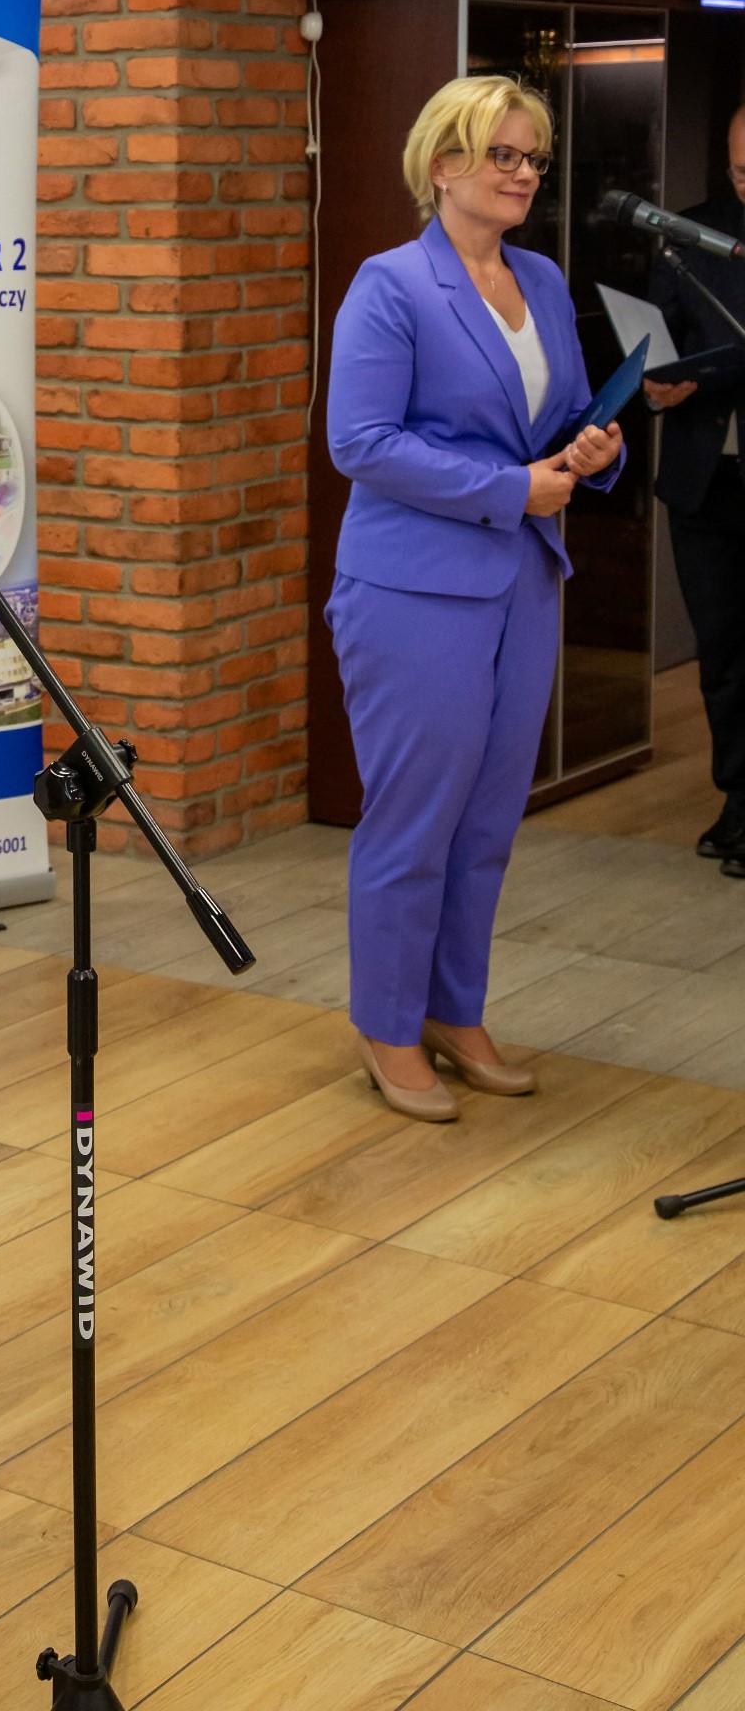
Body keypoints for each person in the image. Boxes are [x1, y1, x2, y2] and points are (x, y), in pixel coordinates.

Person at [326, 75, 624, 1124]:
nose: (524, 174)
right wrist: (509, 488)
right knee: (415, 821)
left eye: (534, 158)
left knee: (489, 819)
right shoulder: (392, 284)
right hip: (413, 592)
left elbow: (562, 417)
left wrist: (592, 448)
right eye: (503, 154)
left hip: (523, 582)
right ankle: (387, 1027)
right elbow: (360, 442)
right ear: (443, 162)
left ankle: (455, 1013)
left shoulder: (540, 277)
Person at [643, 107, 745, 875]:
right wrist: (657, 385)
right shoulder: (688, 234)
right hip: (706, 480)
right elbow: (658, 341)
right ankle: (739, 800)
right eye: (741, 171)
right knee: (723, 654)